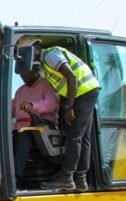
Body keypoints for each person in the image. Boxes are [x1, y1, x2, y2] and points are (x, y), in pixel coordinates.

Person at [19, 37, 101, 191]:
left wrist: (69, 107)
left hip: (83, 92)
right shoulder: (44, 65)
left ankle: (67, 177)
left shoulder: (50, 55)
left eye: (26, 52)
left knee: (73, 135)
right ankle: (81, 178)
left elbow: (71, 77)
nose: (26, 57)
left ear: (35, 48)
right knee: (83, 137)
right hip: (87, 91)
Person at [10, 67, 59, 185]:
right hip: (20, 127)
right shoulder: (20, 91)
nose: (22, 76)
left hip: (40, 127)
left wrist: (32, 106)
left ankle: (15, 178)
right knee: (5, 137)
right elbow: (11, 108)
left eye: (25, 73)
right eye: (20, 74)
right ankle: (5, 176)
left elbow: (52, 103)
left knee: (24, 135)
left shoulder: (46, 86)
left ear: (35, 70)